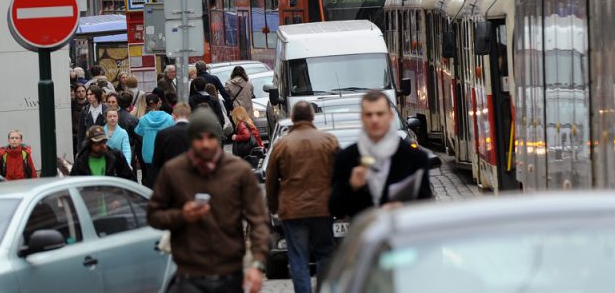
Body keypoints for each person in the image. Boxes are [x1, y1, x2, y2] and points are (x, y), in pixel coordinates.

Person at [149, 109, 269, 293]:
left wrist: (258, 263)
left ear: (218, 138)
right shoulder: (173, 171)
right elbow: (154, 215)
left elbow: (259, 220)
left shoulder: (238, 171)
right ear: (191, 139)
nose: (205, 144)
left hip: (229, 273)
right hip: (190, 275)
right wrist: (181, 215)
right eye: (199, 138)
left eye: (210, 137)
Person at [266, 101, 340, 293]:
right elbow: (340, 174)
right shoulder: (328, 141)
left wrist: (273, 207)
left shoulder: (282, 145)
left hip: (293, 210)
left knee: (298, 258)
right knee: (325, 253)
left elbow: (271, 180)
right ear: (312, 117)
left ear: (292, 119)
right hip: (322, 207)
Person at [330, 90, 432, 219]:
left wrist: (404, 208)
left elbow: (426, 206)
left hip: (400, 234)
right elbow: (334, 209)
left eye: (379, 114)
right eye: (369, 114)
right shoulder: (347, 157)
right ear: (362, 117)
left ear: (390, 116)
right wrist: (351, 186)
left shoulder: (414, 158)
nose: (374, 120)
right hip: (363, 236)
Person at [135, 94, 174, 187]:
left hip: (148, 155)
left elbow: (138, 132)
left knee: (151, 181)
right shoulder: (169, 119)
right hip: (164, 154)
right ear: (158, 102)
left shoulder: (143, 119)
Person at [150, 103, 192, 188]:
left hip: (171, 180)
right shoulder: (198, 133)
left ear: (173, 115)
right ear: (189, 116)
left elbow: (157, 162)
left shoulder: (163, 134)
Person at [71, 125, 135, 180]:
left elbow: (130, 180)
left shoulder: (116, 157)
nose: (103, 146)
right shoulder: (81, 161)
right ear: (89, 144)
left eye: (104, 142)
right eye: (98, 143)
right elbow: (73, 184)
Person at [102, 103, 132, 168]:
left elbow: (126, 150)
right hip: (103, 163)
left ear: (118, 117)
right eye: (110, 116)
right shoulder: (101, 131)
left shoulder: (123, 132)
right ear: (106, 118)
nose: (112, 118)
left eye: (114, 116)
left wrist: (127, 164)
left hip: (118, 163)